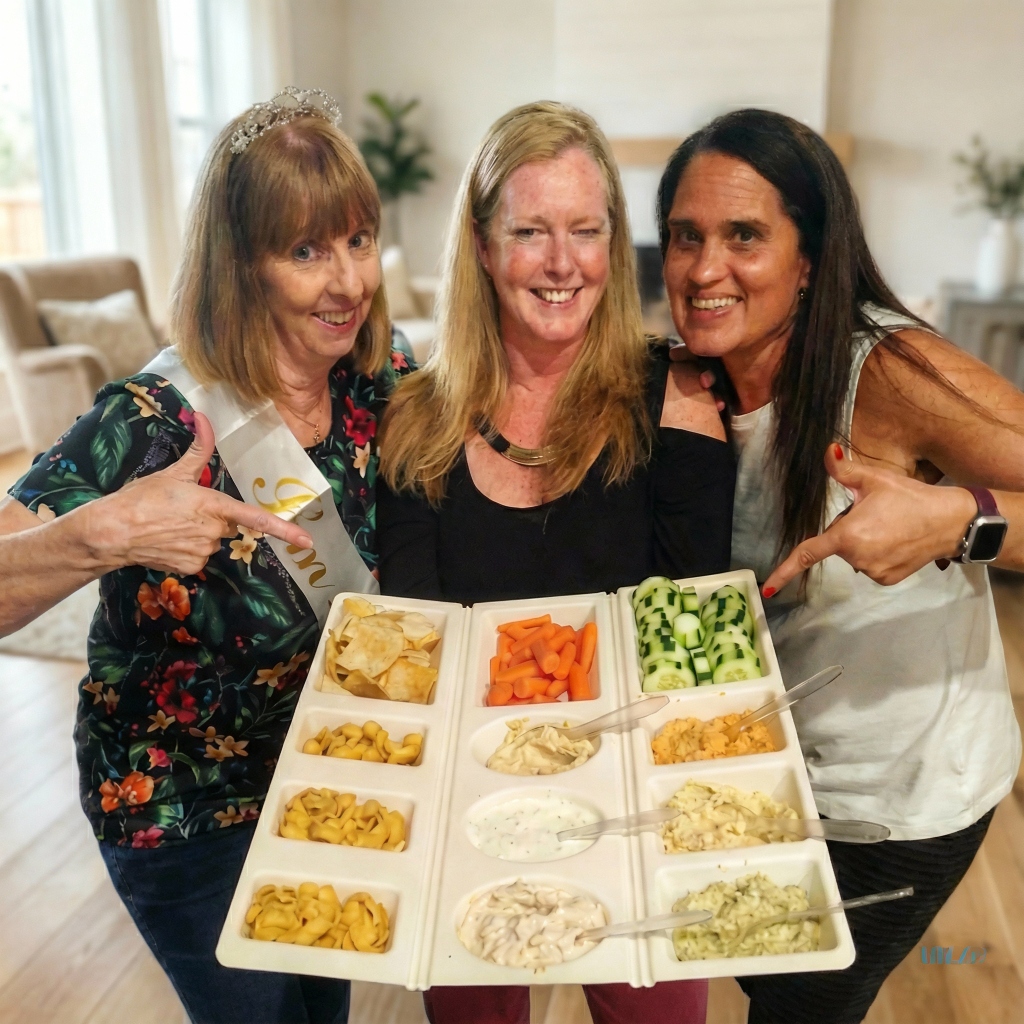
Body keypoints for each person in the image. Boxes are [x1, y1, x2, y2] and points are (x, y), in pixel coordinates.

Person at [0, 88, 412, 1024]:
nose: (346, 281)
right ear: (241, 266)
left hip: (323, 773)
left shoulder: (378, 381)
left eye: (357, 240)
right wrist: (106, 534)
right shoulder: (149, 422)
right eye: (305, 250)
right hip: (181, 801)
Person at [656, 107, 1024, 1024]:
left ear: (812, 257)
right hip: (767, 774)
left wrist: (955, 522)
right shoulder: (688, 382)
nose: (706, 269)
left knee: (804, 1005)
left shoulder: (887, 371)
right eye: (685, 236)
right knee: (762, 976)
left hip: (897, 800)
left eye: (746, 236)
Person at [378, 101, 733, 1024]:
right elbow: (417, 644)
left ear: (615, 246)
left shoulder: (679, 395)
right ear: (484, 245)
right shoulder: (417, 419)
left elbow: (684, 629)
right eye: (530, 231)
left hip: (633, 803)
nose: (562, 262)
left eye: (586, 230)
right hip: (469, 807)